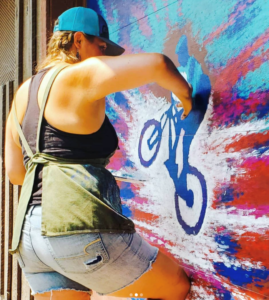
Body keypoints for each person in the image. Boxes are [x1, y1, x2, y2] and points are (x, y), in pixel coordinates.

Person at [5, 6, 192, 300]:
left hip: (30, 238)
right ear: (77, 41)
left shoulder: (22, 94)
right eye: (100, 46)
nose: (104, 56)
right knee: (175, 286)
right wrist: (186, 97)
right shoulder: (76, 75)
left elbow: (16, 174)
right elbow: (158, 64)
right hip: (74, 227)